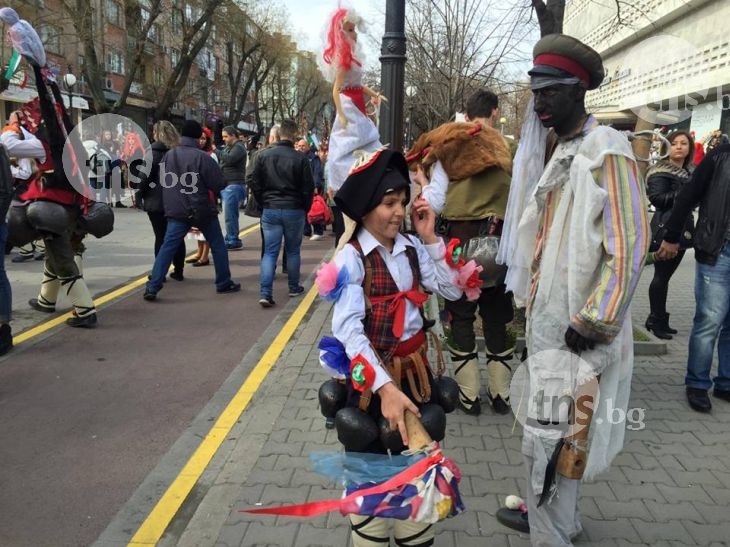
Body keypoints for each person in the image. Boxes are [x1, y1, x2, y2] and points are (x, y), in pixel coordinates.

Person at [495, 35, 649, 544]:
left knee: (556, 436)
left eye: (549, 93)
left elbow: (629, 241)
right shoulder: (563, 147)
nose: (538, 104)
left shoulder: (608, 147)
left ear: (578, 91)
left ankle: (550, 532)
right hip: (552, 324)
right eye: (534, 94)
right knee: (557, 434)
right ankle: (559, 521)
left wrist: (593, 319)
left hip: (578, 331)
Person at [327, 148, 467, 547]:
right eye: (389, 203)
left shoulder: (412, 246)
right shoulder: (351, 260)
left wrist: (430, 237)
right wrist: (385, 388)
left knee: (418, 478)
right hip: (371, 387)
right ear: (367, 206)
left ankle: (414, 533)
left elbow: (452, 288)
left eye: (403, 202)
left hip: (416, 378)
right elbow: (349, 333)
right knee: (368, 474)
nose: (398, 211)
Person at [415, 89, 514, 416]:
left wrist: (422, 184)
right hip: (498, 244)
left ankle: (469, 396)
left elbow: (436, 202)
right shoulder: (505, 148)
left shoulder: (449, 147)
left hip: (458, 246)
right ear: (495, 113)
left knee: (460, 314)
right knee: (498, 313)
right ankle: (501, 394)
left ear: (467, 113)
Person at [657, 132, 730, 413]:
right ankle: (698, 383)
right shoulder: (720, 155)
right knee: (709, 320)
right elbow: (688, 196)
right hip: (718, 248)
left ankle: (725, 382)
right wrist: (672, 235)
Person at [143, 120, 240, 300]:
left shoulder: (169, 156)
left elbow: (164, 182)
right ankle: (223, 282)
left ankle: (153, 286)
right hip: (201, 208)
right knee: (218, 244)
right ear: (197, 137)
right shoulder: (202, 157)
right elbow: (218, 184)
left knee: (167, 247)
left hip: (176, 210)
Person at [247, 119, 312, 308]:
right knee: (292, 250)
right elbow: (308, 187)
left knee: (269, 252)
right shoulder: (301, 158)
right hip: (294, 208)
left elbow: (251, 179)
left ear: (279, 133)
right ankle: (293, 287)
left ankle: (265, 293)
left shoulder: (262, 155)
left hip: (271, 208)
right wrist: (304, 207)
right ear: (294, 134)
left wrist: (262, 200)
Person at [322, 8, 384, 199]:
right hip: (348, 102)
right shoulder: (343, 61)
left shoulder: (353, 59)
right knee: (349, 140)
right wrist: (340, 113)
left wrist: (375, 94)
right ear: (340, 34)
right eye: (349, 30)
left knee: (364, 137)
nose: (354, 33)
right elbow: (336, 89)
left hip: (356, 101)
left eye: (354, 29)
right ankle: (344, 180)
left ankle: (366, 173)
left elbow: (358, 84)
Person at [644, 130, 695, 339]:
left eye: (684, 143)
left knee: (666, 277)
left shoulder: (690, 172)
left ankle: (659, 318)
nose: (679, 147)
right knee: (661, 276)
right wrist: (687, 192)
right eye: (674, 143)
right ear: (667, 147)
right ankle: (656, 320)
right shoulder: (659, 171)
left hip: (684, 231)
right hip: (664, 230)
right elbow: (657, 199)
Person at [137, 121, 186, 282]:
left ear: (156, 134)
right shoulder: (179, 152)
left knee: (160, 237)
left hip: (156, 201)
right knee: (176, 236)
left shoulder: (152, 153)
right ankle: (178, 270)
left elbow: (145, 177)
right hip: (177, 200)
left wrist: (140, 194)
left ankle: (160, 273)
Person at [185, 127, 218, 267]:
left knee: (206, 227)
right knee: (196, 227)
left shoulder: (211, 155)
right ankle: (199, 252)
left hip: (206, 196)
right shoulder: (193, 153)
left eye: (204, 138)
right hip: (193, 195)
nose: (202, 141)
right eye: (200, 138)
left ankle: (205, 255)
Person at [218, 125, 247, 250]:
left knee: (230, 215)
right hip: (228, 185)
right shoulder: (230, 148)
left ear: (233, 135)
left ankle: (233, 239)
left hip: (234, 185)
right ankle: (230, 237)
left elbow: (229, 160)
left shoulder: (239, 148)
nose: (224, 139)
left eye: (225, 136)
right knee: (229, 215)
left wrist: (216, 151)